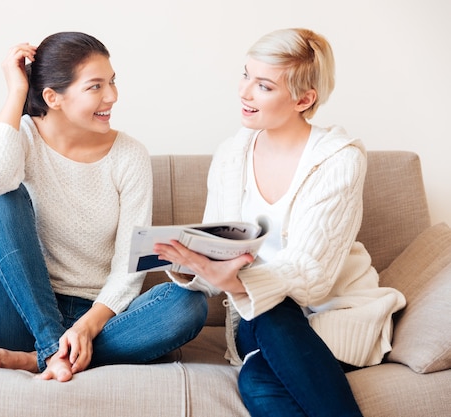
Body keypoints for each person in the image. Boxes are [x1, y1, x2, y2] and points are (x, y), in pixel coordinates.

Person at [153, 28, 406, 416]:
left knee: (258, 378)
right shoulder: (230, 154)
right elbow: (216, 244)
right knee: (268, 309)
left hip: (335, 312)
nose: (244, 92)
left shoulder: (339, 159)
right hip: (258, 316)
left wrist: (237, 282)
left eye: (263, 85)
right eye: (245, 75)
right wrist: (191, 263)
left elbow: (313, 274)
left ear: (303, 99)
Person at [0, 31, 207, 382]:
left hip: (100, 317)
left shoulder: (130, 155)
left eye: (112, 82)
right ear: (53, 97)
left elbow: (131, 264)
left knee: (188, 303)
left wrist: (87, 326)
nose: (112, 96)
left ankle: (43, 358)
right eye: (95, 86)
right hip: (23, 314)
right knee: (0, 195)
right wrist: (16, 91)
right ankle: (51, 347)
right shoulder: (23, 139)